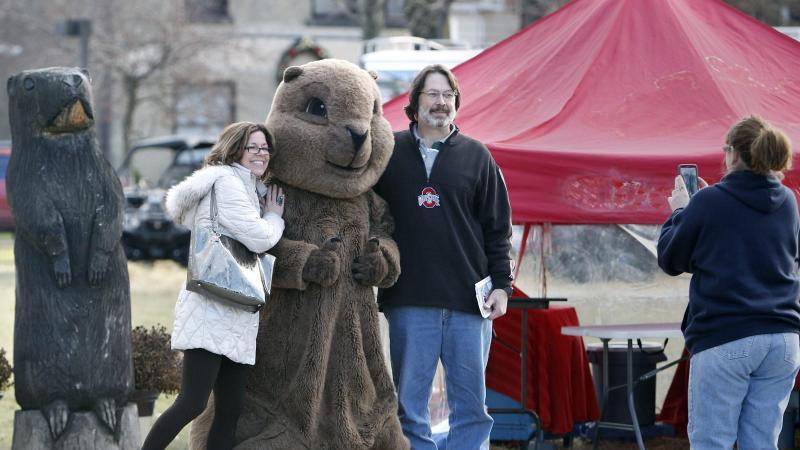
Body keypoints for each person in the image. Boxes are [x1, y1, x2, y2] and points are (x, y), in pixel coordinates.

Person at [374, 64, 513, 450]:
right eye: (432, 94)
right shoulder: (390, 154)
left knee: (472, 408)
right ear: (414, 104)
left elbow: (498, 228)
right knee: (409, 408)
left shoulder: (477, 156)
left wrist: (503, 286)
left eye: (448, 95)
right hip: (409, 299)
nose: (441, 102)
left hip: (469, 301)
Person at [657, 116, 800, 449]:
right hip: (783, 339)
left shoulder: (709, 202)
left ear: (733, 154)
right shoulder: (789, 202)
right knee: (762, 442)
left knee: (712, 442)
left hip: (728, 334)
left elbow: (671, 259)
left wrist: (680, 212)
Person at [141, 122, 285, 450]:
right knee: (191, 402)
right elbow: (259, 238)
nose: (262, 154)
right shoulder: (226, 182)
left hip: (235, 309)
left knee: (231, 409)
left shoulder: (248, 187)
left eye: (265, 148)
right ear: (235, 149)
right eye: (254, 147)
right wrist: (275, 217)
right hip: (210, 307)